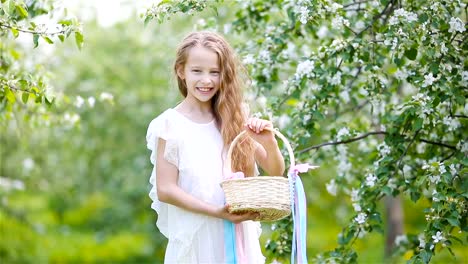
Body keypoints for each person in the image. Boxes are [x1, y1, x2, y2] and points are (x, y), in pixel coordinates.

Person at [146, 31, 285, 263]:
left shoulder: (234, 117)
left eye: (215, 72)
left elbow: (275, 171)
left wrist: (269, 141)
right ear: (181, 71)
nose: (206, 80)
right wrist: (218, 213)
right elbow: (166, 189)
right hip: (198, 235)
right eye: (197, 71)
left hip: (239, 236)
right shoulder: (170, 125)